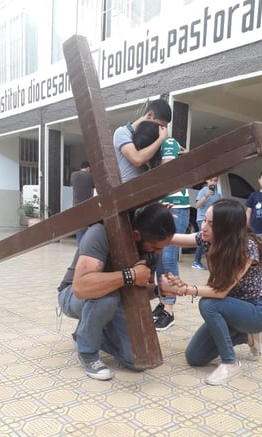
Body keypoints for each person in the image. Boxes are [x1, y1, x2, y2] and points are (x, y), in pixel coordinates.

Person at [159, 199, 262, 386]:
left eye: (212, 224)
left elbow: (220, 292)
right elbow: (170, 239)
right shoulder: (207, 239)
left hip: (258, 310)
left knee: (208, 303)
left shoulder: (246, 246)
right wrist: (159, 218)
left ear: (228, 228)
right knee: (195, 357)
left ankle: (230, 364)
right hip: (231, 308)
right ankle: (247, 336)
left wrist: (183, 289)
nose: (204, 227)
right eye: (204, 220)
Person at [57, 202, 176, 380]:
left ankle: (89, 330)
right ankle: (87, 351)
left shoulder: (151, 250)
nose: (159, 253)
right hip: (73, 297)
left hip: (115, 299)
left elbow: (139, 291)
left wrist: (161, 290)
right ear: (137, 235)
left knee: (136, 361)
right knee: (106, 298)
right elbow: (81, 287)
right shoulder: (100, 233)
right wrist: (131, 275)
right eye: (156, 247)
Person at [152, 136, 190, 331]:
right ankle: (162, 302)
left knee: (168, 258)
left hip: (177, 207)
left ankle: (169, 309)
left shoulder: (168, 142)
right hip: (163, 207)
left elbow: (168, 166)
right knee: (159, 258)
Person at [113, 98, 171, 183]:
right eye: (159, 125)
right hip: (127, 190)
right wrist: (160, 139)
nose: (159, 130)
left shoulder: (154, 137)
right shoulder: (122, 132)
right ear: (150, 115)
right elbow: (137, 159)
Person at [191, 177, 221, 270]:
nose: (213, 183)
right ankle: (196, 261)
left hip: (213, 220)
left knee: (211, 240)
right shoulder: (203, 191)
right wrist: (206, 196)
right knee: (204, 238)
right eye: (211, 180)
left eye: (215, 181)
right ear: (207, 181)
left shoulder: (218, 194)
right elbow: (197, 205)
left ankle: (211, 260)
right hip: (202, 219)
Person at [70, 160, 94, 245]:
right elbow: (94, 188)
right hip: (87, 205)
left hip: (76, 205)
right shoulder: (90, 176)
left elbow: (72, 185)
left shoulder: (73, 175)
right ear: (88, 168)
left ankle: (79, 245)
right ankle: (84, 246)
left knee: (79, 227)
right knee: (87, 226)